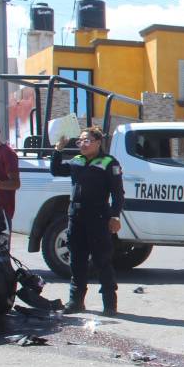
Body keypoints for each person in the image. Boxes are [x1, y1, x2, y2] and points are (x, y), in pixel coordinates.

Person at [51, 126, 125, 315]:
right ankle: (76, 301)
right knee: (77, 261)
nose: (82, 145)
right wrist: (58, 150)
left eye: (86, 141)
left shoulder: (109, 163)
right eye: (80, 141)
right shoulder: (77, 161)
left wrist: (115, 216)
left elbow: (118, 193)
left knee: (102, 260)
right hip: (76, 217)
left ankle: (109, 304)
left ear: (98, 143)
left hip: (98, 218)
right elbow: (56, 170)